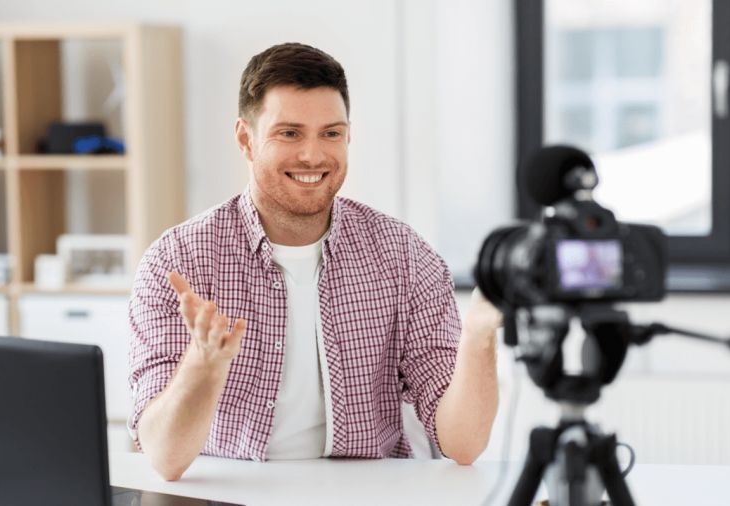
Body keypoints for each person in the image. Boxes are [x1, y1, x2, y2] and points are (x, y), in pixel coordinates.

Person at [128, 42, 502, 481]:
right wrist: (203, 366)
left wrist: (478, 335)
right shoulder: (178, 260)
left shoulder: (404, 255)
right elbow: (163, 458)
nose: (312, 155)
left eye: (331, 133)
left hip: (366, 492)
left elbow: (463, 445)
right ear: (246, 139)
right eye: (289, 133)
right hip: (230, 490)